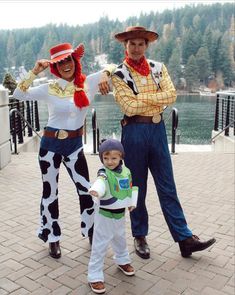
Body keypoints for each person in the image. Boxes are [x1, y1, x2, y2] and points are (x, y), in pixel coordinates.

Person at [99, 26, 216, 259]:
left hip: (157, 129)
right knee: (137, 187)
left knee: (167, 185)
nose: (136, 48)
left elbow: (171, 95)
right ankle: (139, 235)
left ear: (147, 45)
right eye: (131, 44)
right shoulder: (118, 73)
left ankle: (184, 238)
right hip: (133, 131)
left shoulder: (158, 68)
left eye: (140, 44)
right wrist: (154, 100)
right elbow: (128, 107)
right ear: (125, 46)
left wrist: (142, 98)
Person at [13, 42, 108, 259]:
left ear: (75, 61)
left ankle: (92, 231)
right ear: (55, 67)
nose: (66, 65)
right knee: (50, 193)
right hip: (50, 147)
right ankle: (52, 237)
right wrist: (35, 71)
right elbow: (18, 94)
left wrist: (105, 74)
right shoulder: (49, 88)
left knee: (86, 189)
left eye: (69, 60)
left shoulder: (88, 83)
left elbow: (113, 67)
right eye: (60, 62)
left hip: (74, 146)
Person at [87, 139, 138, 294]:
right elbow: (101, 182)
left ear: (121, 157)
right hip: (105, 215)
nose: (109, 162)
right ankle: (94, 276)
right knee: (100, 245)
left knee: (120, 238)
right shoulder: (103, 172)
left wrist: (131, 202)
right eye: (106, 158)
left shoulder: (126, 171)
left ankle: (123, 260)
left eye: (114, 158)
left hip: (120, 214)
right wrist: (96, 190)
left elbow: (130, 187)